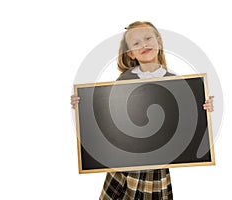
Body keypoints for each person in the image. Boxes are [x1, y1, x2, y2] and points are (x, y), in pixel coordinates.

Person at [71, 21, 214, 200]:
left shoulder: (177, 83)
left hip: (156, 164)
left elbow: (187, 123)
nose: (144, 45)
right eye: (136, 43)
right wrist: (82, 106)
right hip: (123, 162)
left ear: (159, 42)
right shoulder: (124, 80)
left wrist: (204, 108)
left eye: (148, 38)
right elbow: (107, 116)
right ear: (130, 52)